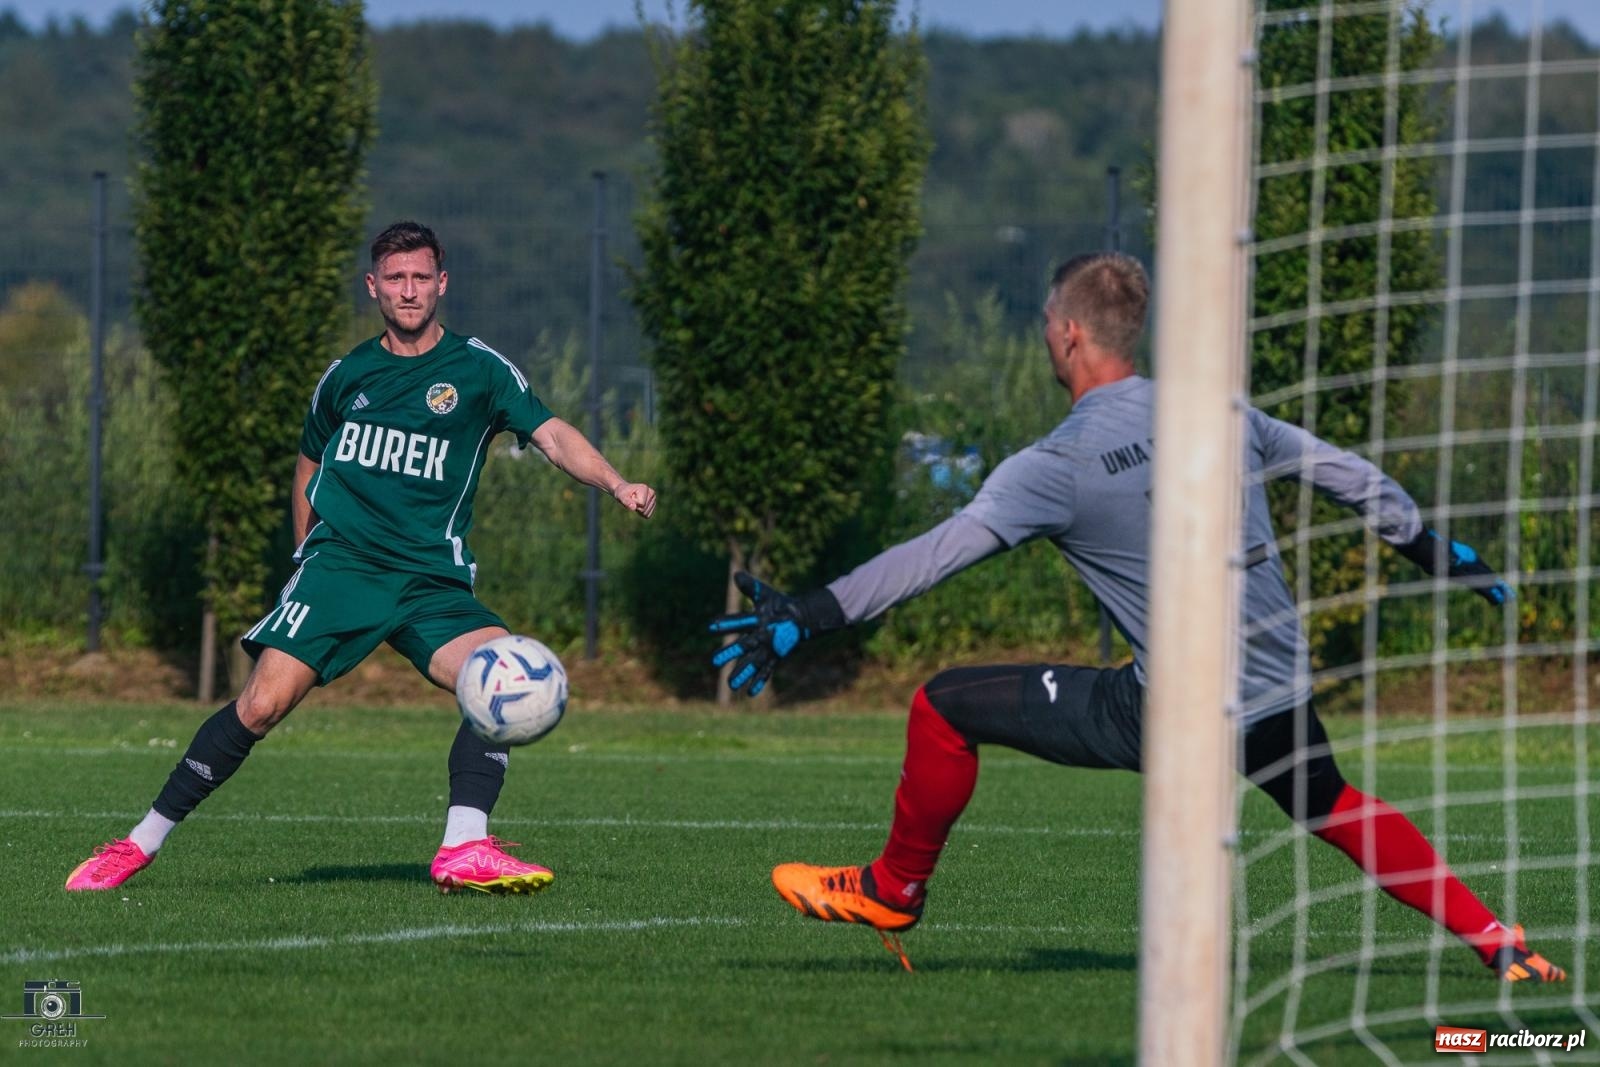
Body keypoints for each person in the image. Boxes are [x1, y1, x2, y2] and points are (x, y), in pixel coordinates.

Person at [708, 251, 1566, 982]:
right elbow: (1344, 472)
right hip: (1274, 679)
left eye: (1048, 322)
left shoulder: (1057, 462)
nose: (1048, 335)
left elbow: (930, 557)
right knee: (1330, 800)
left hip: (1170, 712)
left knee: (941, 705)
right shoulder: (1218, 410)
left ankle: (892, 890)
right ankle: (1497, 939)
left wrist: (808, 615)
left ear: (1069, 334)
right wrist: (1428, 547)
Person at [66, 221, 656, 895]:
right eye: (396, 279)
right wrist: (303, 553)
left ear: (442, 283)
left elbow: (552, 434)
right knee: (260, 706)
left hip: (431, 580)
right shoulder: (347, 376)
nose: (409, 291)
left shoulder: (480, 370)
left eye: (421, 277)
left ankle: (463, 845)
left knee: (496, 677)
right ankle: (137, 844)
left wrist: (616, 482)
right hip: (343, 566)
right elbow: (309, 461)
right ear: (374, 287)